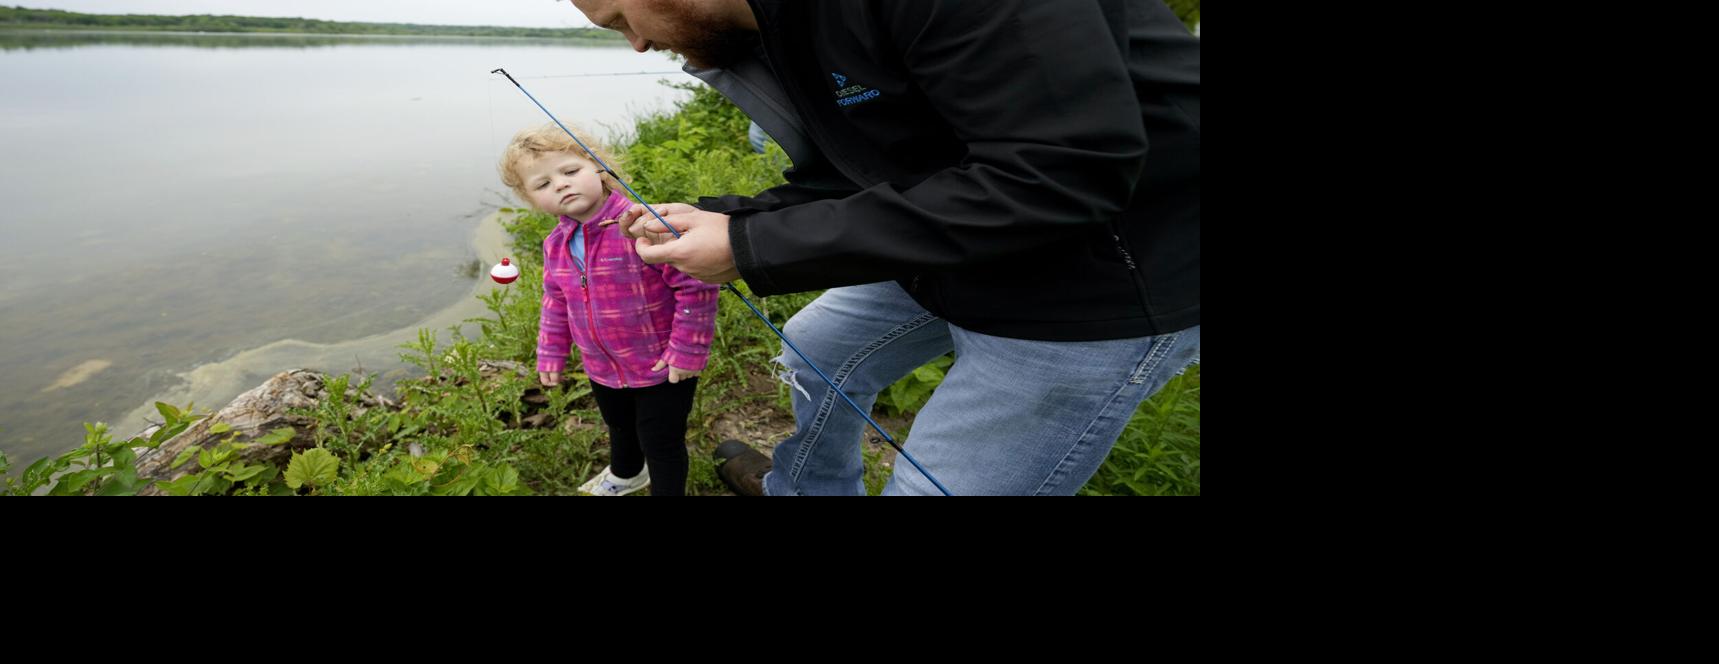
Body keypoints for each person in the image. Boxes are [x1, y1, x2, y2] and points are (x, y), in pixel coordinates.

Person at [573, 0, 1200, 496]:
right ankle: (805, 487)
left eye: (620, 19)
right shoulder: (783, 27)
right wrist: (733, 219)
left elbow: (1062, 170)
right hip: (973, 242)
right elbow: (869, 171)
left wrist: (753, 243)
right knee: (817, 347)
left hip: (1103, 276)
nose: (637, 43)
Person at [499, 122, 720, 496]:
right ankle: (627, 473)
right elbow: (555, 300)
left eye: (570, 171)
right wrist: (551, 352)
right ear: (531, 198)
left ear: (600, 170)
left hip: (661, 366)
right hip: (601, 365)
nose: (561, 185)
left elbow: (696, 286)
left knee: (661, 441)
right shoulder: (556, 243)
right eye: (543, 184)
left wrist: (687, 350)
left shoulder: (643, 226)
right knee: (618, 425)